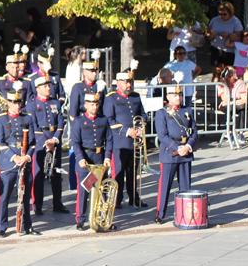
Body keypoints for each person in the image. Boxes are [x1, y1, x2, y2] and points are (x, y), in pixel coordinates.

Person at [0, 87, 37, 237]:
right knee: (4, 196)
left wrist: (27, 157)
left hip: (24, 162)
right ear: (8, 103)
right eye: (13, 102)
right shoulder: (1, 119)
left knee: (25, 196)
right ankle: (1, 226)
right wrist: (15, 157)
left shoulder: (27, 118)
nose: (16, 105)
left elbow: (32, 142)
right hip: (9, 162)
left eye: (18, 102)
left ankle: (27, 225)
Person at [153, 85, 197, 225]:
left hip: (185, 152)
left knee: (185, 186)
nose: (178, 97)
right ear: (167, 97)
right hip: (170, 152)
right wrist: (177, 147)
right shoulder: (162, 113)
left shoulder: (187, 110)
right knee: (165, 185)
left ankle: (185, 212)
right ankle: (160, 214)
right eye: (174, 95)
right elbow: (162, 135)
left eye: (179, 94)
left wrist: (188, 146)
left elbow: (194, 131)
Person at [103, 69, 147, 209]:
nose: (129, 85)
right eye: (126, 82)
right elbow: (109, 120)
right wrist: (127, 131)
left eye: (130, 82)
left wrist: (140, 127)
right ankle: (117, 198)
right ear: (119, 83)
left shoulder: (135, 96)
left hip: (134, 141)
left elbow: (143, 115)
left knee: (133, 171)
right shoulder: (111, 98)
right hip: (119, 141)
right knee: (119, 173)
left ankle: (134, 197)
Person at [70, 92, 114, 231]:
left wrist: (107, 156)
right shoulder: (79, 121)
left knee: (102, 190)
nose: (94, 107)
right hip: (87, 160)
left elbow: (110, 139)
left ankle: (103, 218)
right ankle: (81, 219)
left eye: (96, 104)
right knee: (85, 190)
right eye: (91, 104)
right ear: (85, 105)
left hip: (100, 159)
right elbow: (76, 143)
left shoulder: (103, 120)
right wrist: (81, 158)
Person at [27, 76, 67, 215]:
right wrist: (46, 142)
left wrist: (55, 139)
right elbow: (34, 125)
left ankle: (58, 203)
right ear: (38, 89)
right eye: (45, 86)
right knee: (38, 174)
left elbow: (61, 121)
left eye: (49, 86)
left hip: (54, 140)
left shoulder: (55, 102)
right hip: (40, 142)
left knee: (56, 173)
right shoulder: (32, 104)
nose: (48, 88)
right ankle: (37, 204)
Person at [207, 2, 243, 67]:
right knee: (216, 71)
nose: (222, 16)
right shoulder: (214, 20)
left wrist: (229, 35)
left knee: (228, 72)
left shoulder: (236, 22)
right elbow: (208, 35)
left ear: (230, 13)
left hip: (229, 52)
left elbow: (240, 38)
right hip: (216, 49)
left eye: (224, 14)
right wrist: (212, 35)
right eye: (220, 14)